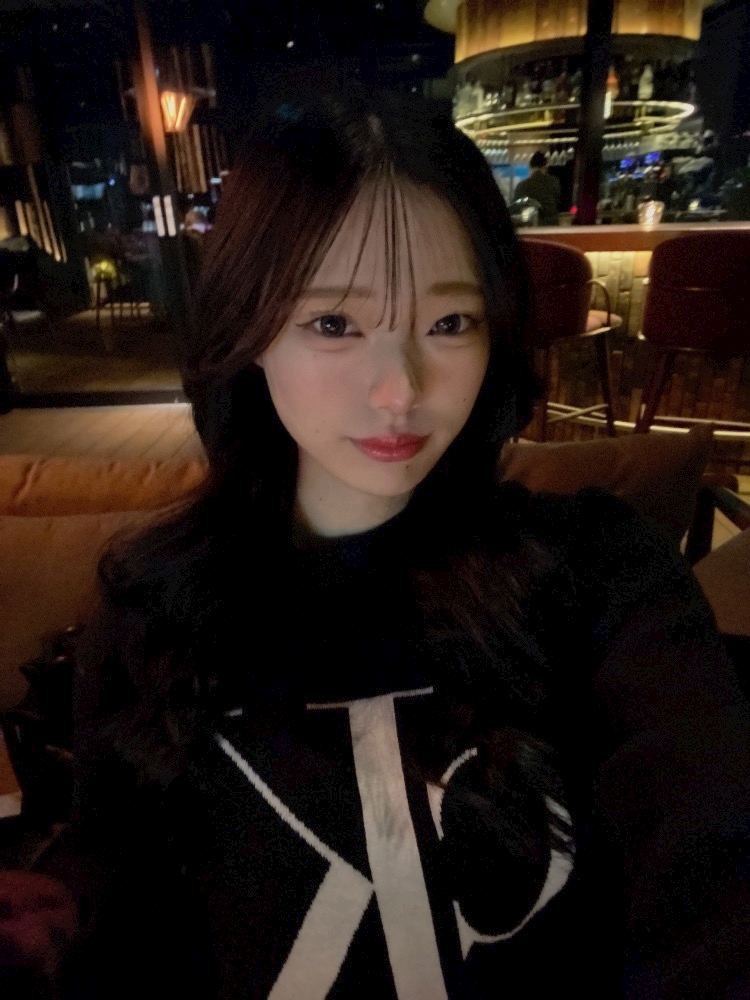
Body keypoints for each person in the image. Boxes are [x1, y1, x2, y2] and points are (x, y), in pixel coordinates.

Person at [23, 89, 750, 999]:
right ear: (249, 333)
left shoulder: (600, 574)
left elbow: (712, 856)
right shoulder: (150, 614)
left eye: (449, 324)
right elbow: (128, 925)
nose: (399, 389)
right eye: (335, 324)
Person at [513, 151, 561, 225]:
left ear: (530, 167)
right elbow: (558, 202)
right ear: (545, 167)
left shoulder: (522, 185)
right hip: (551, 224)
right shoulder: (554, 182)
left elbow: (516, 207)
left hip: (530, 224)